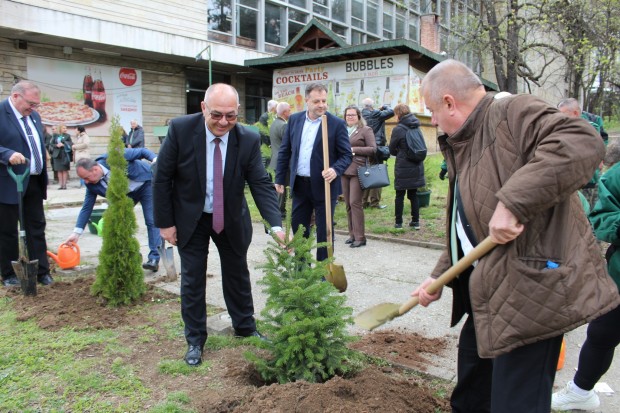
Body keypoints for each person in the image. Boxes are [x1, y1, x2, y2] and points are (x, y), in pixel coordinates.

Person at [411, 59, 620, 413]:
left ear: (449, 102)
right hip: (488, 295)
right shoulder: (466, 142)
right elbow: (466, 223)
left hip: (530, 296)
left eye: (432, 111)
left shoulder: (512, 112)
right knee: (472, 398)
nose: (433, 122)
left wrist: (512, 202)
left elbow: (581, 142)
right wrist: (437, 276)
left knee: (515, 404)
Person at [153, 83, 285, 367]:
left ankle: (245, 327)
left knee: (237, 272)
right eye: (216, 115)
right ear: (203, 108)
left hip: (230, 216)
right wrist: (165, 224)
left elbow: (260, 183)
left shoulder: (248, 138)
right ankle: (195, 340)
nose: (223, 122)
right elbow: (161, 177)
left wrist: (275, 225)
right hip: (191, 217)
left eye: (230, 115)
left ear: (237, 112)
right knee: (193, 279)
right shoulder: (180, 130)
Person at [551, 143, 620, 412]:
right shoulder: (616, 177)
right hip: (619, 278)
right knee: (601, 333)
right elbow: (602, 215)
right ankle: (581, 391)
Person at [275, 83, 352, 262]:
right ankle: (301, 271)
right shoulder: (295, 120)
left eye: (324, 101)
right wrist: (279, 177)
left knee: (325, 231)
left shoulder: (336, 124)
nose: (321, 105)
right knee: (299, 227)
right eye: (316, 101)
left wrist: (335, 169)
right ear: (306, 101)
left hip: (324, 186)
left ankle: (324, 271)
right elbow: (285, 151)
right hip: (300, 185)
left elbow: (346, 155)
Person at [64, 149, 161, 272]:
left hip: (144, 184)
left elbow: (142, 151)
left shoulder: (113, 158)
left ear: (95, 169)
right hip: (125, 195)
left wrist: (155, 160)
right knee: (117, 222)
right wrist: (76, 233)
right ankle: (132, 255)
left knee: (151, 220)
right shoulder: (91, 184)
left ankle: (154, 258)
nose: (86, 182)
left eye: (86, 178)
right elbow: (87, 206)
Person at [0, 80, 53, 287]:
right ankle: (9, 274)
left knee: (36, 227)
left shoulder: (34, 116)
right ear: (15, 97)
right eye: (31, 103)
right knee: (7, 230)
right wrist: (6, 154)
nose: (34, 108)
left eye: (36, 104)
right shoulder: (1, 112)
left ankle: (42, 271)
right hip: (9, 181)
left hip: (33, 181)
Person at [558, 98, 604, 210]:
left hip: (587, 180)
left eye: (564, 114)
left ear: (575, 113)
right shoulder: (566, 126)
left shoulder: (589, 127)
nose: (561, 118)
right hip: (573, 179)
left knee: (586, 211)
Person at [341, 105, 376, 247]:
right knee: (348, 204)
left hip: (358, 170)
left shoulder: (365, 130)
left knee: (355, 202)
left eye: (352, 115)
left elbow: (373, 149)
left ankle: (360, 237)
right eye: (347, 115)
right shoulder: (342, 130)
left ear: (358, 116)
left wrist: (352, 150)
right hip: (343, 170)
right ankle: (352, 235)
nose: (350, 117)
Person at [388, 103, 425, 230]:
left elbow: (391, 149)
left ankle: (398, 223)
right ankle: (416, 222)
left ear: (398, 114)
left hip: (403, 166)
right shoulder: (416, 126)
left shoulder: (398, 129)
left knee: (400, 195)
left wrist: (399, 152)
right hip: (416, 165)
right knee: (413, 195)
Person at [361, 97, 394, 210]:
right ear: (372, 106)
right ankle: (375, 202)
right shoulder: (375, 113)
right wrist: (384, 107)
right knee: (377, 174)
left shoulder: (360, 115)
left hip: (363, 147)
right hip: (376, 147)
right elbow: (391, 111)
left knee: (366, 173)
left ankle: (363, 202)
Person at [269, 101, 291, 218]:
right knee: (282, 187)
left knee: (279, 185)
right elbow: (287, 143)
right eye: (289, 110)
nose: (291, 112)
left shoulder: (274, 123)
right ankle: (280, 211)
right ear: (284, 112)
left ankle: (278, 210)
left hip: (275, 159)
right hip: (282, 161)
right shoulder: (283, 125)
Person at [49, 124, 72, 190]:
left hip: (64, 154)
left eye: (66, 128)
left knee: (64, 170)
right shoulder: (55, 135)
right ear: (60, 129)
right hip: (57, 154)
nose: (65, 129)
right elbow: (51, 144)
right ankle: (60, 185)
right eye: (63, 128)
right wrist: (56, 145)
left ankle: (64, 185)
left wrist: (64, 144)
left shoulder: (67, 136)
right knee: (59, 170)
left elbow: (70, 143)